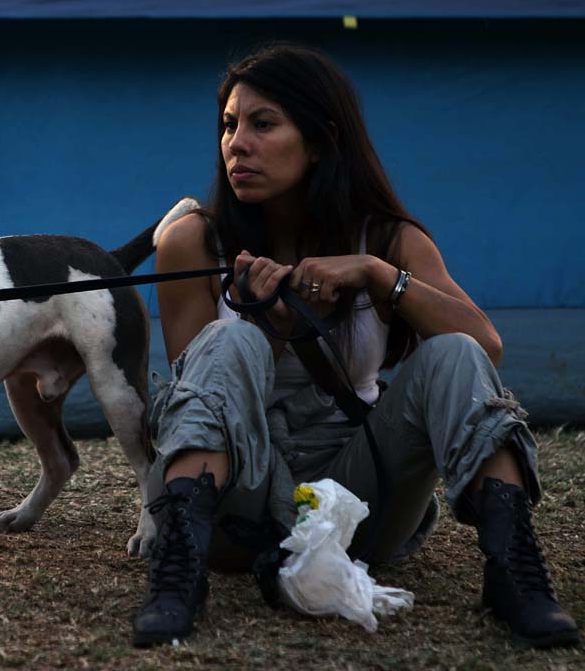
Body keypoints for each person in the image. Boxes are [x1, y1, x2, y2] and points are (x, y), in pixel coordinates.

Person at [131, 44, 580, 649]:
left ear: (319, 141)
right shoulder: (194, 242)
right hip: (238, 508)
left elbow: (485, 346)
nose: (237, 143)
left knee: (451, 352)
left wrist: (377, 274)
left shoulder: (389, 239)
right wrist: (271, 327)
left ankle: (516, 574)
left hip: (362, 503)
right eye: (230, 125)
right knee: (230, 337)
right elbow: (195, 400)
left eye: (263, 124)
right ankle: (176, 579)